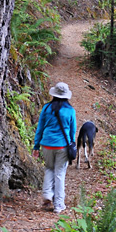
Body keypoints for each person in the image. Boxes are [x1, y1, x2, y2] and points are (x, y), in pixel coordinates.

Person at [33, 81, 76, 214]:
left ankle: (47, 195)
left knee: (49, 169)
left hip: (46, 144)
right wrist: (72, 144)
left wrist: (36, 146)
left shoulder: (46, 108)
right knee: (60, 174)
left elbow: (40, 128)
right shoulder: (70, 111)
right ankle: (58, 204)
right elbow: (72, 131)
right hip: (62, 145)